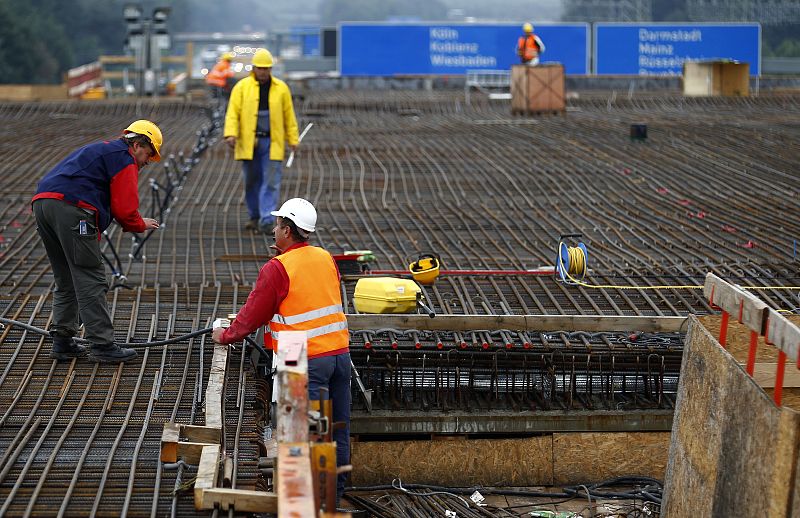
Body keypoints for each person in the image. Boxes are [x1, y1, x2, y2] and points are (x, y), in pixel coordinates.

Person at [211, 197, 351, 502]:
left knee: (301, 435)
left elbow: (254, 315)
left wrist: (226, 335)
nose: (274, 230)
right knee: (336, 429)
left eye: (277, 225)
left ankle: (304, 502)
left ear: (287, 230)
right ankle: (334, 495)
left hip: (298, 356)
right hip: (339, 354)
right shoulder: (325, 257)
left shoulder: (278, 267)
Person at [32, 120, 162, 363]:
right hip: (71, 207)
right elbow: (124, 208)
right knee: (90, 276)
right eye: (148, 154)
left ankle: (63, 340)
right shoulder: (123, 158)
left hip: (43, 204)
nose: (147, 161)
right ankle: (102, 344)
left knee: (67, 276)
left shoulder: (102, 150)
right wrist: (137, 224)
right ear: (136, 145)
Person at [224, 48, 299, 233]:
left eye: (267, 69)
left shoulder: (281, 89)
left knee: (271, 181)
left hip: (272, 142)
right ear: (254, 68)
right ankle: (254, 216)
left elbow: (289, 115)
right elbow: (233, 113)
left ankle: (267, 219)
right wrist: (231, 134)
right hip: (249, 141)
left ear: (271, 69)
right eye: (260, 68)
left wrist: (293, 138)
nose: (263, 72)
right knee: (252, 179)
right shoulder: (242, 88)